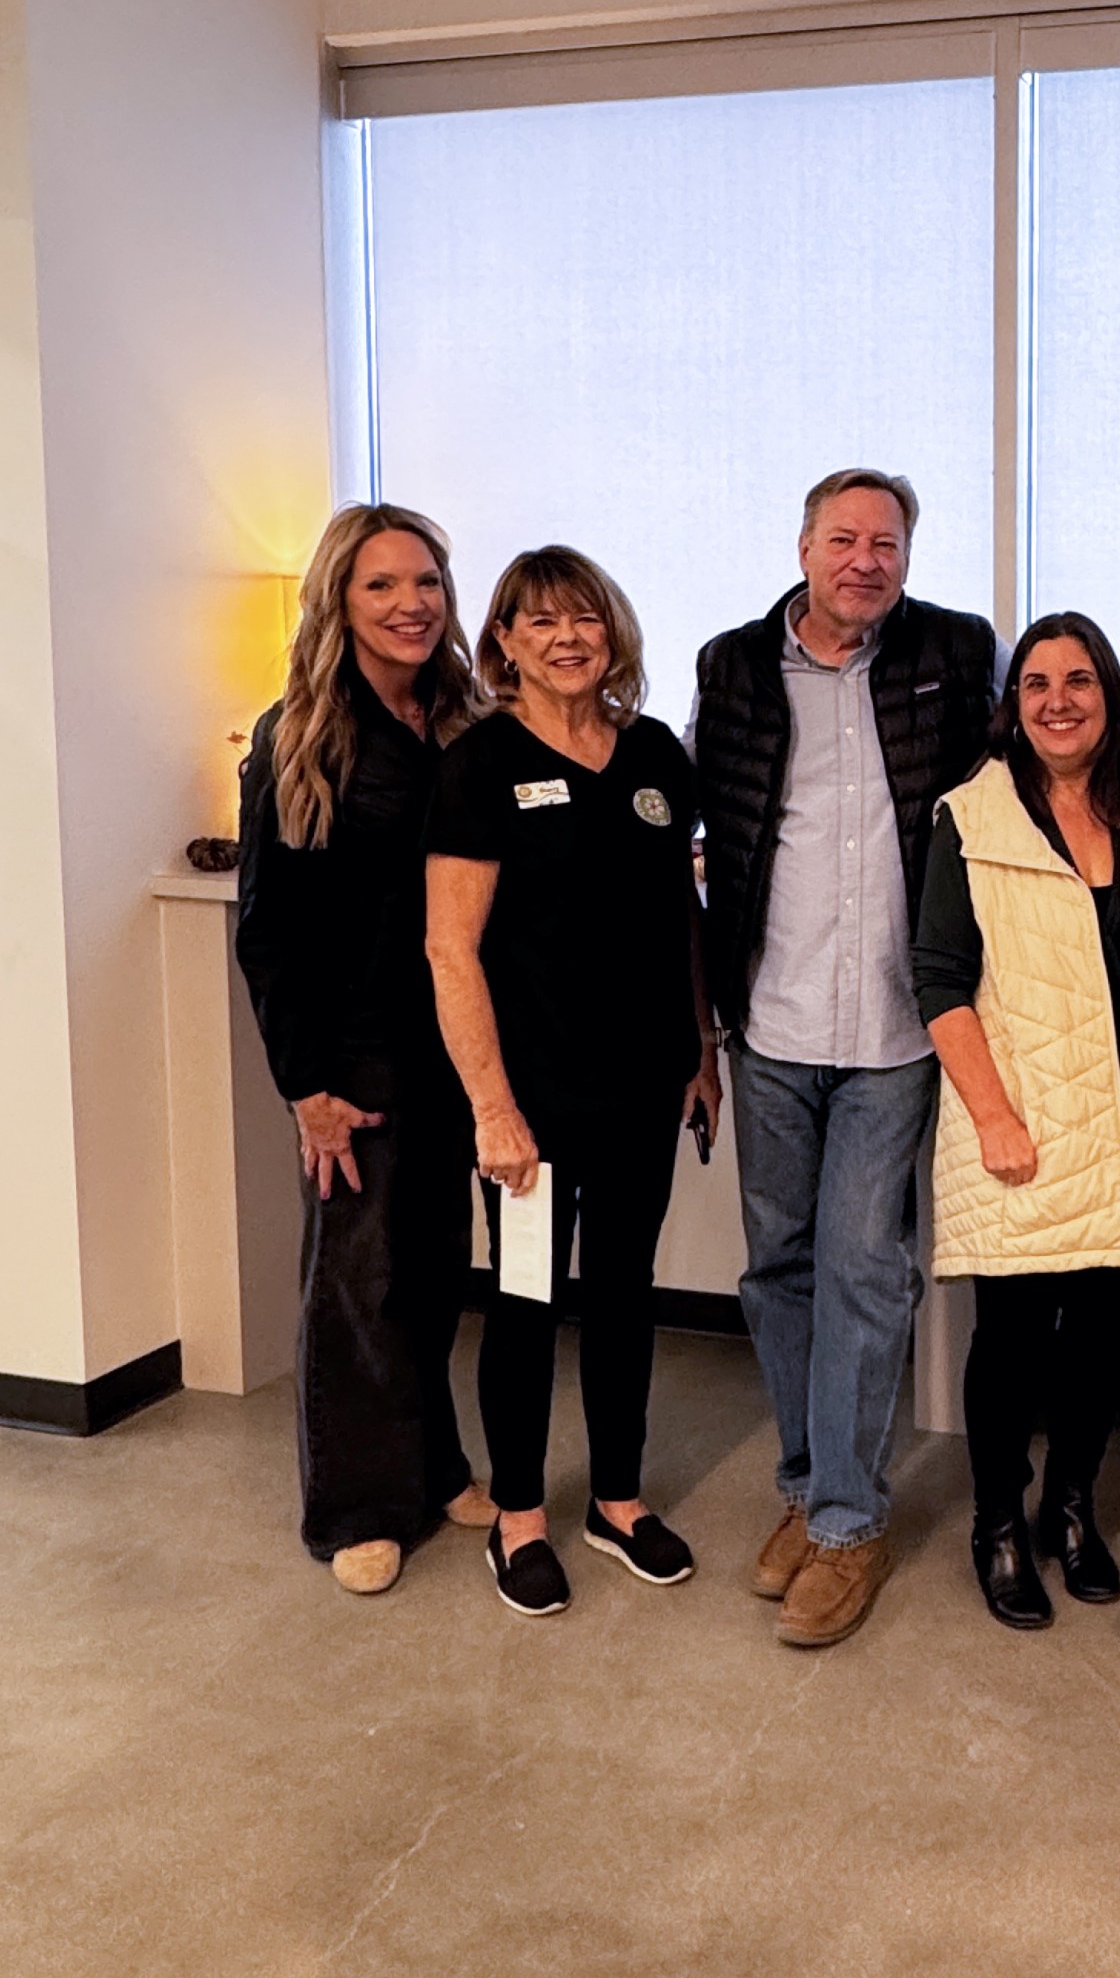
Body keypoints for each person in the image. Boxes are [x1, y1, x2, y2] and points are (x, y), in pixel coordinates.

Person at [693, 468, 999, 1649]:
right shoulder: (732, 666)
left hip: (894, 1029)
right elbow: (705, 823)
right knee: (779, 1270)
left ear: (907, 558)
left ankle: (847, 1522)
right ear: (804, 547)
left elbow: (1026, 773)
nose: (865, 560)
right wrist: (700, 1020)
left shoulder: (956, 653)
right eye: (844, 539)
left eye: (887, 543)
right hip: (769, 1019)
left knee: (866, 1271)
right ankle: (807, 1480)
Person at [425, 547, 720, 1618]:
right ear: (503, 641)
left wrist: (701, 1049)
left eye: (584, 617)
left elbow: (681, 914)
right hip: (534, 1103)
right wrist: (492, 1109)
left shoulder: (653, 754)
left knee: (626, 1296)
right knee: (525, 1302)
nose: (566, 638)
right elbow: (451, 949)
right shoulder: (480, 765)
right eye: (539, 621)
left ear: (612, 630)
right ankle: (517, 1517)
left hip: (644, 1087)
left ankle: (617, 1501)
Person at [236, 504, 495, 1595]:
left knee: (433, 1274)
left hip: (455, 1049)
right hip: (356, 1059)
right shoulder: (300, 737)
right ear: (338, 599)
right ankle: (356, 1507)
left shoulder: (466, 722)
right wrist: (307, 1087)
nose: (411, 604)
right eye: (382, 584)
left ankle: (434, 1470)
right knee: (358, 1287)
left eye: (426, 582)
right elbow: (268, 931)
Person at [912, 613, 1120, 1630]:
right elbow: (939, 979)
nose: (1058, 701)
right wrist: (993, 1117)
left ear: (1110, 697)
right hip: (1020, 1119)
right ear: (1012, 705)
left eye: (1079, 681)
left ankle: (1071, 1506)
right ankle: (997, 1523)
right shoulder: (972, 817)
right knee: (1012, 1343)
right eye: (1036, 683)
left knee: (1102, 1338)